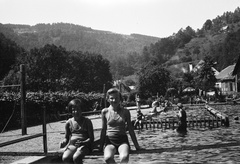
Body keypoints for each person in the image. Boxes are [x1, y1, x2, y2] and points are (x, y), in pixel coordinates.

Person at [99, 88, 140, 164]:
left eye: (116, 98)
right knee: (108, 158)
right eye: (111, 98)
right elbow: (103, 130)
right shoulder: (105, 112)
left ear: (120, 99)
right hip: (110, 141)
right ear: (108, 99)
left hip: (122, 141)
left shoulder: (125, 112)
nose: (114, 100)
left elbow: (131, 130)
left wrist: (137, 146)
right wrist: (100, 148)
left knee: (124, 158)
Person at [60, 99, 94, 164]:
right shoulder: (69, 123)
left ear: (81, 110)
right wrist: (63, 142)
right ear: (70, 111)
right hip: (72, 145)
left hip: (85, 146)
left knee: (76, 157)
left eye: (78, 109)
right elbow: (66, 138)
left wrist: (83, 142)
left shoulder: (87, 121)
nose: (76, 112)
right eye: (73, 110)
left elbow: (91, 138)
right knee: (65, 158)